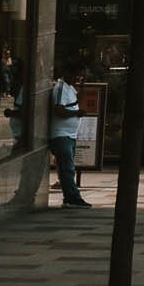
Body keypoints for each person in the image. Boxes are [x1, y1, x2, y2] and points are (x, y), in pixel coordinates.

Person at [48, 62, 91, 209]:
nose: (77, 78)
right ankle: (72, 198)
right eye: (77, 75)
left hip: (69, 135)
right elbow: (58, 110)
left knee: (68, 167)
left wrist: (83, 85)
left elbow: (77, 100)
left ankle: (70, 197)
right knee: (67, 168)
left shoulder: (69, 88)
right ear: (68, 73)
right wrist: (76, 113)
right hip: (61, 135)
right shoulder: (60, 88)